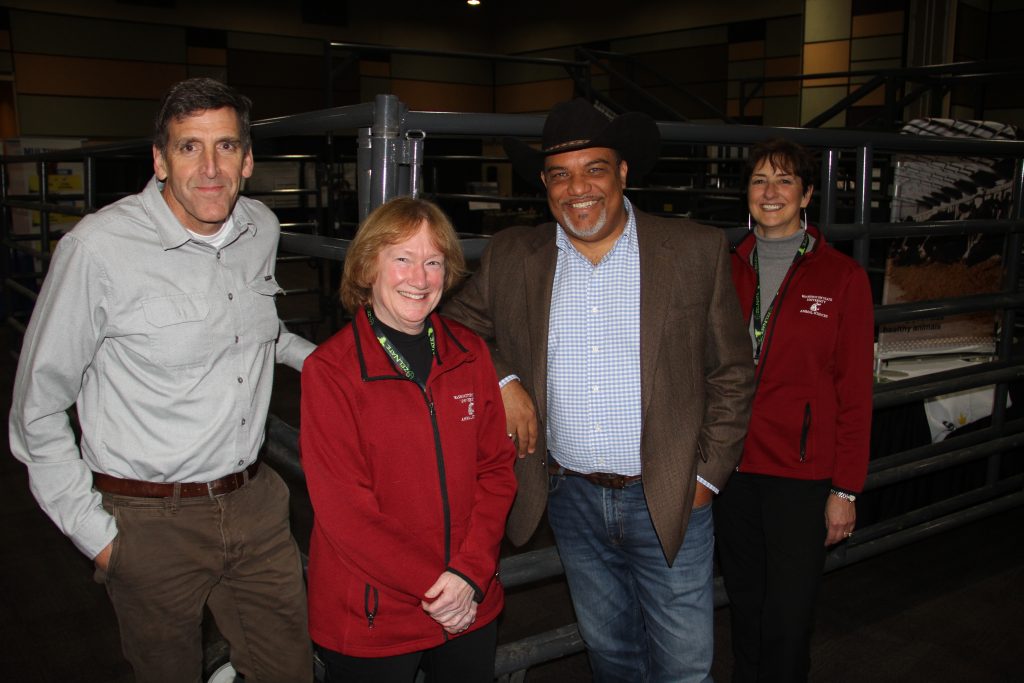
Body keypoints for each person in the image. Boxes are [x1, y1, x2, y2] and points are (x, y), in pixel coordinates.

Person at [8, 77, 315, 683]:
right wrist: (97, 537)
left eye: (226, 146)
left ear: (249, 159)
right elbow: (37, 410)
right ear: (159, 160)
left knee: (289, 670)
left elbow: (259, 331)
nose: (209, 168)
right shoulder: (98, 249)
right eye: (187, 147)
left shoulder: (261, 228)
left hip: (254, 505)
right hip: (149, 521)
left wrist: (333, 364)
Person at [443, 98, 755, 682]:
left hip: (668, 497)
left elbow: (733, 372)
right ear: (544, 183)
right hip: (571, 497)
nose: (577, 188)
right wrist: (503, 378)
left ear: (624, 173)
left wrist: (705, 479)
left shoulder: (692, 251)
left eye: (595, 169)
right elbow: (455, 328)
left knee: (685, 669)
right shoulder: (516, 254)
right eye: (560, 174)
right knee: (611, 656)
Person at [299, 197, 517, 682]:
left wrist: (469, 574)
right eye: (402, 258)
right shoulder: (331, 372)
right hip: (376, 615)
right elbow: (346, 513)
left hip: (469, 604)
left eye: (433, 261)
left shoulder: (469, 353)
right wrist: (438, 587)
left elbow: (497, 469)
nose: (420, 278)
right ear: (367, 265)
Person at [714, 137, 874, 682]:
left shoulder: (842, 278)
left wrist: (845, 489)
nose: (771, 192)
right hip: (730, 470)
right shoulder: (723, 269)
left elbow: (855, 393)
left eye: (785, 181)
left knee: (787, 617)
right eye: (760, 180)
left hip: (800, 476)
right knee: (746, 607)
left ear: (807, 195)